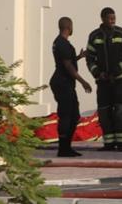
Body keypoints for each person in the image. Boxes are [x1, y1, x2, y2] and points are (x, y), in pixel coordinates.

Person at [85, 6, 122, 151]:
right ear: (103, 19)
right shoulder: (94, 36)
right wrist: (97, 73)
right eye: (110, 18)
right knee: (104, 112)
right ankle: (109, 143)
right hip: (103, 82)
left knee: (120, 110)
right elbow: (89, 58)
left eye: (114, 18)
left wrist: (119, 69)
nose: (113, 21)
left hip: (120, 81)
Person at [50, 16, 92, 157]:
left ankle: (66, 147)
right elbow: (68, 66)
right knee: (67, 115)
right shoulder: (62, 44)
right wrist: (83, 81)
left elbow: (66, 61)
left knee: (74, 115)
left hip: (64, 82)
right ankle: (63, 148)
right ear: (68, 27)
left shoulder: (60, 43)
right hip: (63, 83)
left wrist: (79, 57)